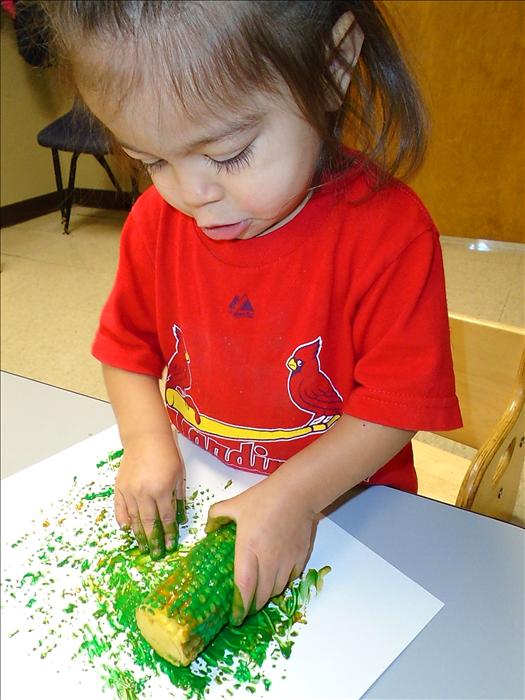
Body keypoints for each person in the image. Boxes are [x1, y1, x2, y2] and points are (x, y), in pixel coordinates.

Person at [41, 0, 461, 624]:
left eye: (230, 153)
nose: (192, 194)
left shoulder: (389, 235)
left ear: (333, 64)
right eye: (152, 161)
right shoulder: (159, 224)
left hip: (349, 510)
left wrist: (294, 497)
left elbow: (396, 409)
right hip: (207, 487)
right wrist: (147, 441)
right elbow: (126, 351)